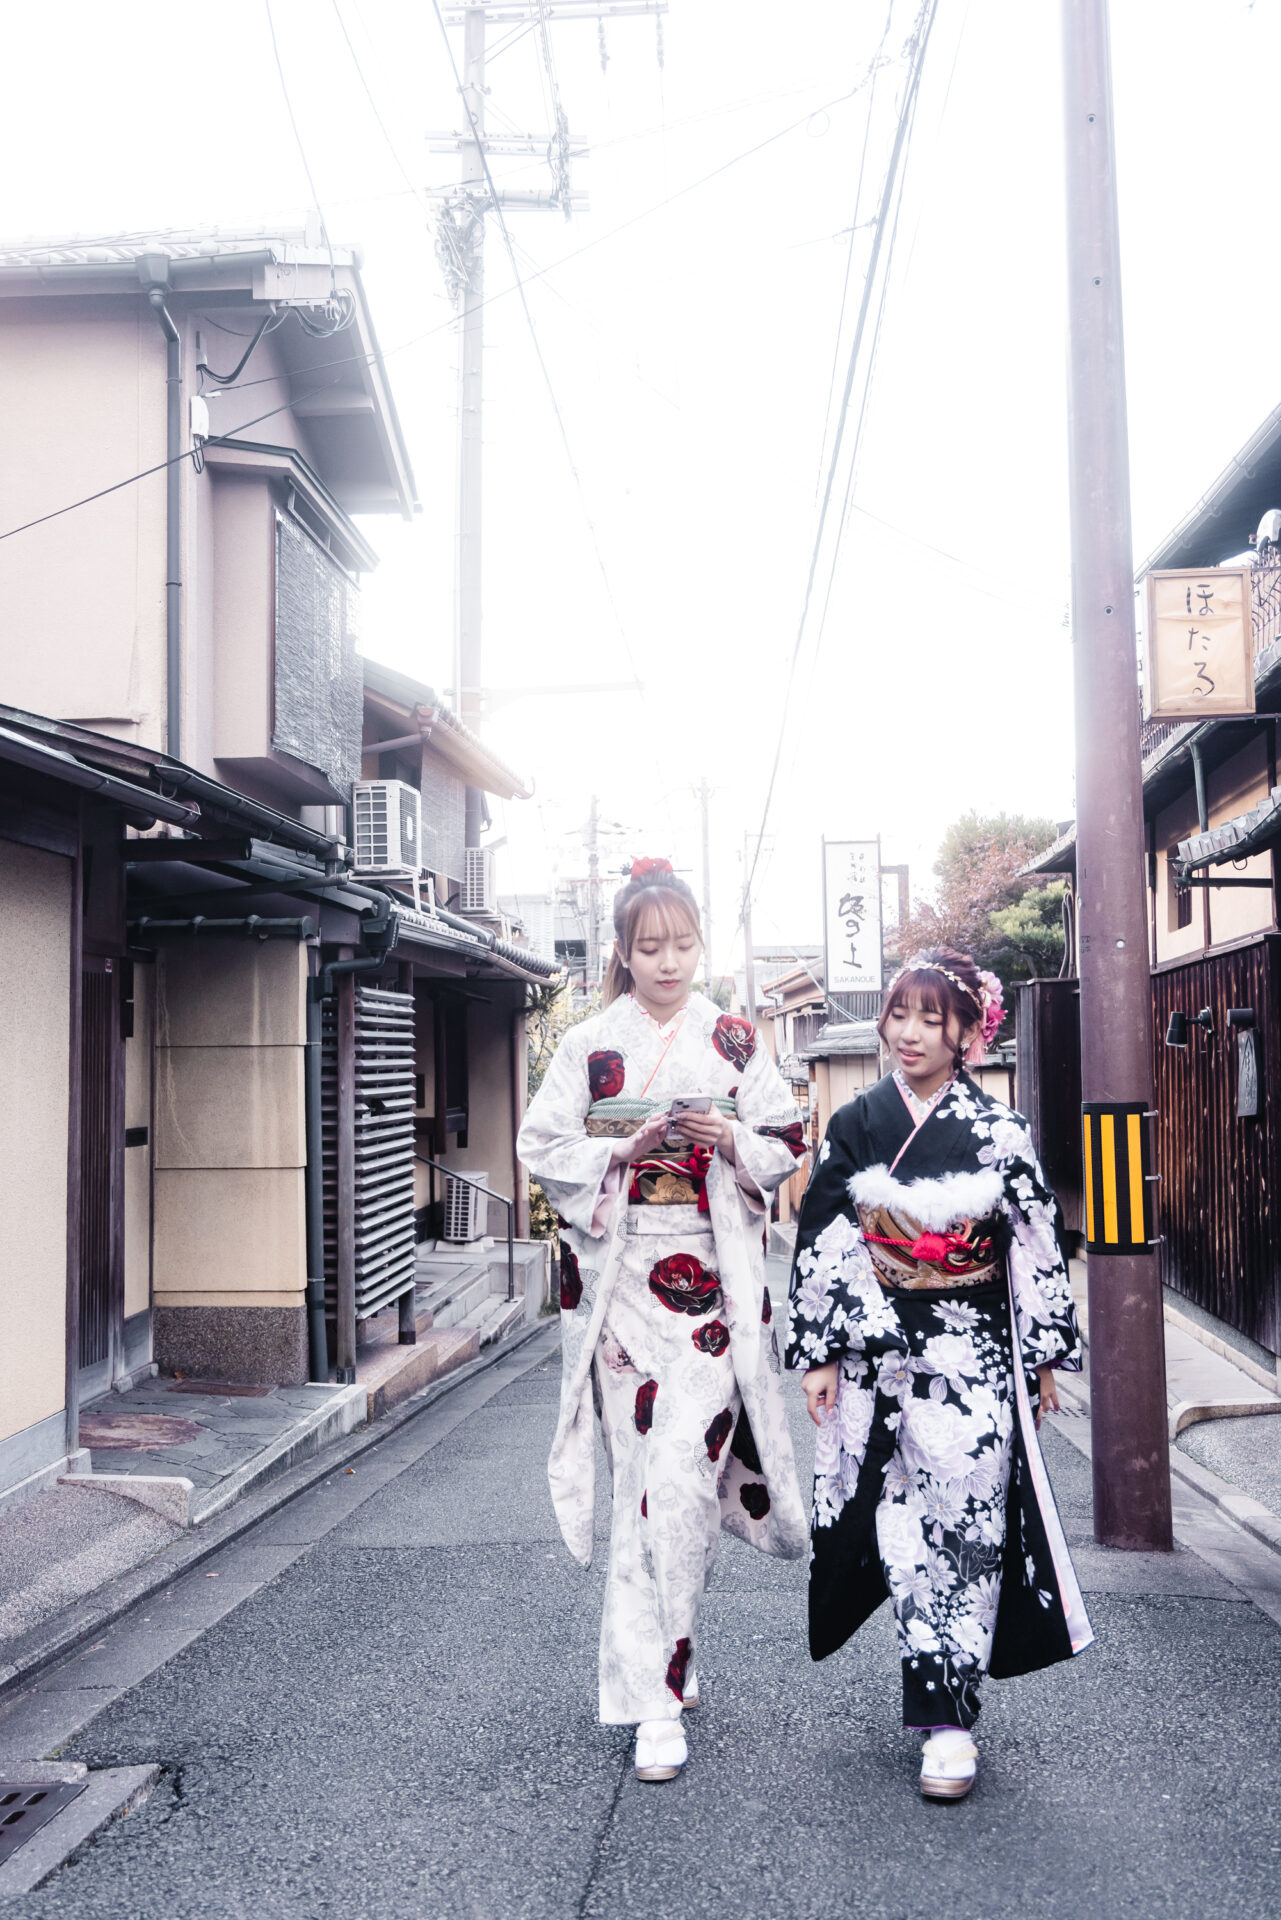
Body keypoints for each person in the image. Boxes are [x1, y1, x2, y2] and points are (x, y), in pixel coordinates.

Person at [519, 856, 808, 1783]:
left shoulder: (730, 1036)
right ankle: (656, 1694)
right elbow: (541, 1144)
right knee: (645, 1479)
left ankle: (662, 1672)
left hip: (711, 1290)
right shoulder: (588, 1043)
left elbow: (786, 1140)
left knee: (682, 1476)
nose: (669, 961)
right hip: (621, 1286)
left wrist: (732, 1140)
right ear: (620, 950)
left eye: (683, 944)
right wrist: (622, 1146)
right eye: (650, 946)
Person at [786, 946, 1093, 1801]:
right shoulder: (855, 1122)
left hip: (969, 1351)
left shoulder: (1000, 1131)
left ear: (968, 1033)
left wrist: (1039, 1355)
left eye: (933, 1018)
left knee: (967, 1528)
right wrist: (818, 1354)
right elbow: (825, 1235)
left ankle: (949, 1718)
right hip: (875, 1349)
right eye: (899, 1015)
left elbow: (1034, 1243)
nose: (910, 1033)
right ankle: (931, 1698)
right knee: (895, 1532)